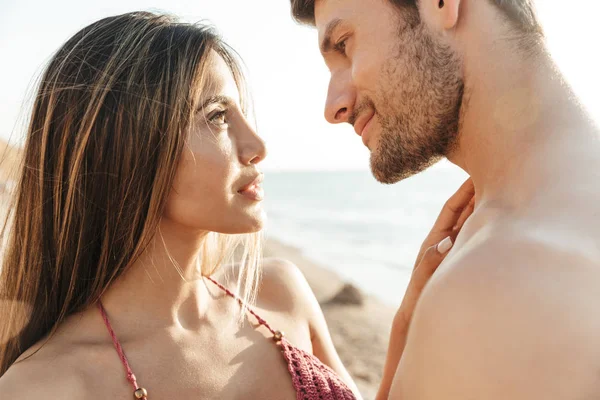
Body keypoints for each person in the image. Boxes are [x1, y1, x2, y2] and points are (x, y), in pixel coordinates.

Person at [0, 11, 474, 399]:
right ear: (125, 145)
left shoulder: (279, 294)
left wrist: (412, 314)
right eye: (218, 116)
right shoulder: (46, 386)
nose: (258, 144)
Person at [289, 0, 600, 398]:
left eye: (345, 44)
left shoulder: (499, 287)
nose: (334, 108)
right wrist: (407, 331)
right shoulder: (493, 242)